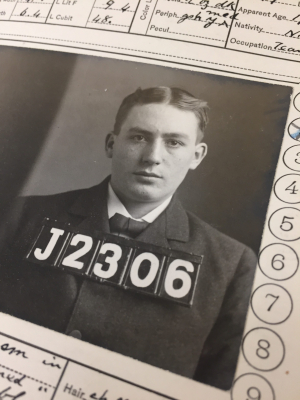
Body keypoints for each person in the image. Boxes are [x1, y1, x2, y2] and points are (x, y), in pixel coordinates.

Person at [0, 87, 257, 390]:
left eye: (174, 142)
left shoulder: (231, 265)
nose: (152, 157)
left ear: (196, 156)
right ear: (111, 144)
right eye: (139, 137)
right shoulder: (21, 215)